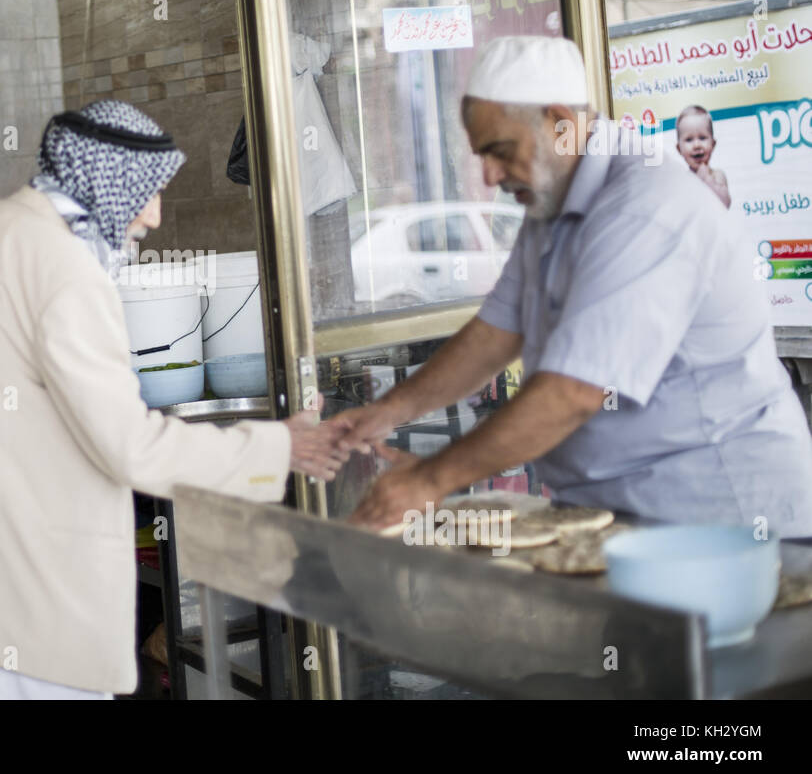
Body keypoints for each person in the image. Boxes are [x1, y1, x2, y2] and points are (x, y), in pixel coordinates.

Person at [0, 99, 348, 699]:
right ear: (107, 180)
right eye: (150, 191)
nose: (155, 215)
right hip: (22, 586)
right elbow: (129, 448)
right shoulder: (61, 261)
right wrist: (277, 447)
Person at [333, 36, 812, 537]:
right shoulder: (553, 196)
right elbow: (498, 330)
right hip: (616, 514)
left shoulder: (644, 207)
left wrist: (430, 481)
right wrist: (389, 410)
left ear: (561, 124)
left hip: (719, 517)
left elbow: (575, 391)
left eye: (499, 151)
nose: (490, 175)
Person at [675, 104, 730, 207]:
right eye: (689, 140)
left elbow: (725, 204)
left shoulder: (717, 175)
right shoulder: (681, 180)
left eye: (702, 138)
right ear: (679, 149)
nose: (696, 145)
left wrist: (706, 179)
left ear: (713, 144)